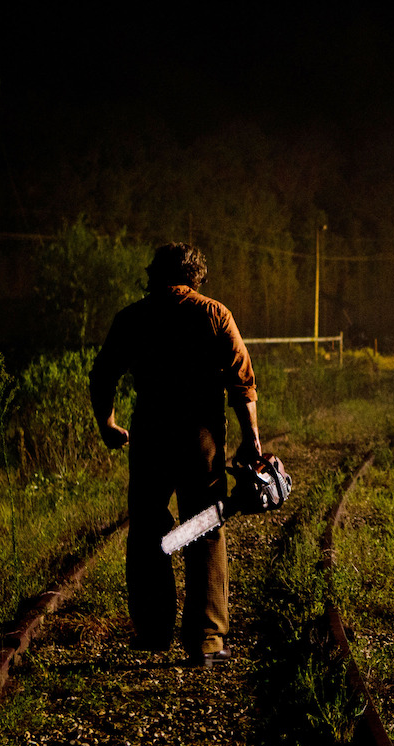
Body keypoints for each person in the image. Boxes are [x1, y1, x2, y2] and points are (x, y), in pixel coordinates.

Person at [89, 242, 261, 667]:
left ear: (154, 273)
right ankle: (206, 640)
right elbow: (242, 379)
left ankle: (152, 631)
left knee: (149, 526)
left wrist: (107, 424)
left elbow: (103, 374)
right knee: (204, 525)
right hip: (200, 435)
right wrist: (251, 438)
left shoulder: (133, 317)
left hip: (151, 433)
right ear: (195, 275)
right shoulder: (214, 314)